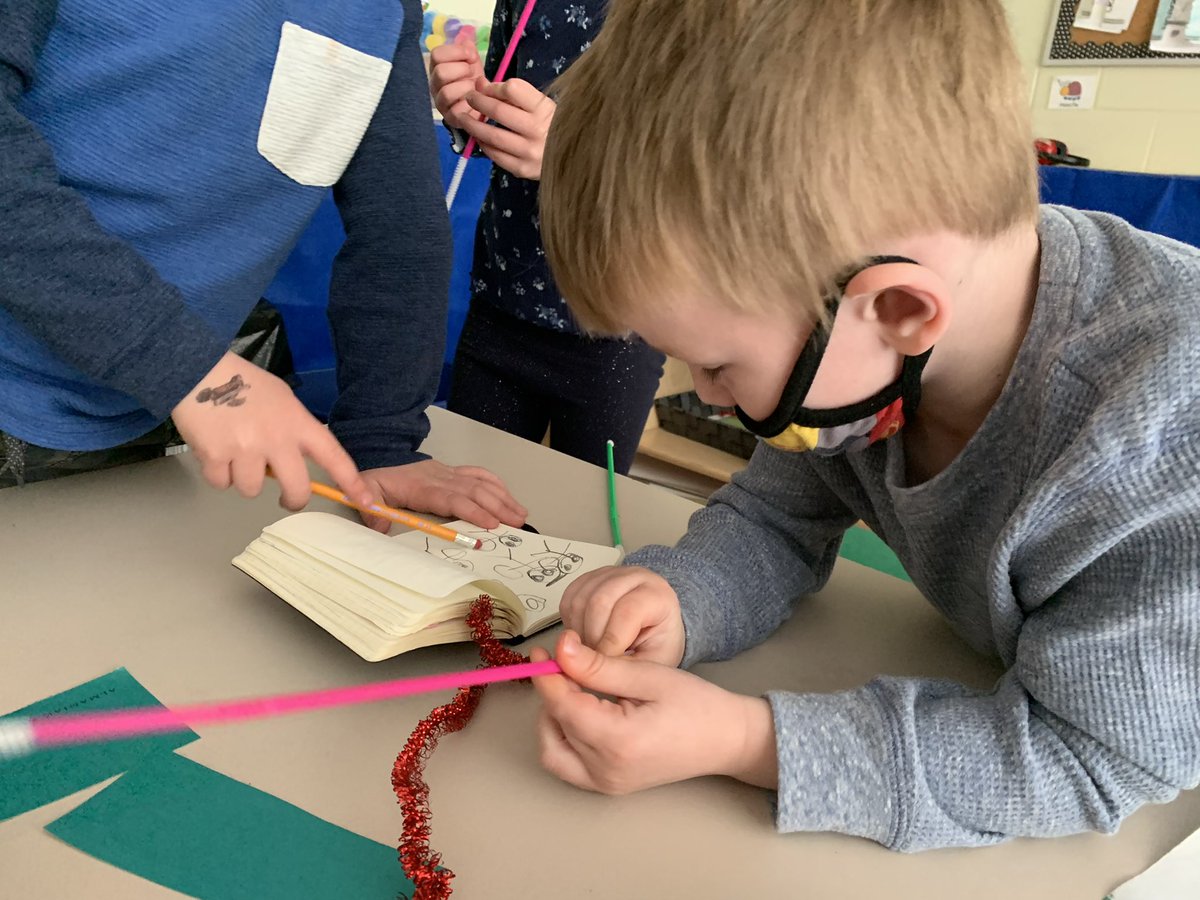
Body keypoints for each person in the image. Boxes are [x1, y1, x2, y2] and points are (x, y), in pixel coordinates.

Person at [528, 0, 1200, 850]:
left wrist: (749, 742)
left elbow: (1090, 754)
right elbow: (776, 517)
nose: (709, 398)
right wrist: (683, 595)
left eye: (720, 366)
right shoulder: (866, 357)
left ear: (900, 310)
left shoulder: (1163, 433)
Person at [0, 0, 526, 531]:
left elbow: (397, 228)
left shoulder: (382, 12)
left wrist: (383, 437)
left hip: (148, 405)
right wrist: (187, 370)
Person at [428, 0, 664, 475]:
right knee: (454, 523)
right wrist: (465, 103)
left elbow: (720, 182)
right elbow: (499, 116)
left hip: (616, 326)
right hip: (500, 307)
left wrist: (575, 156)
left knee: (585, 534)